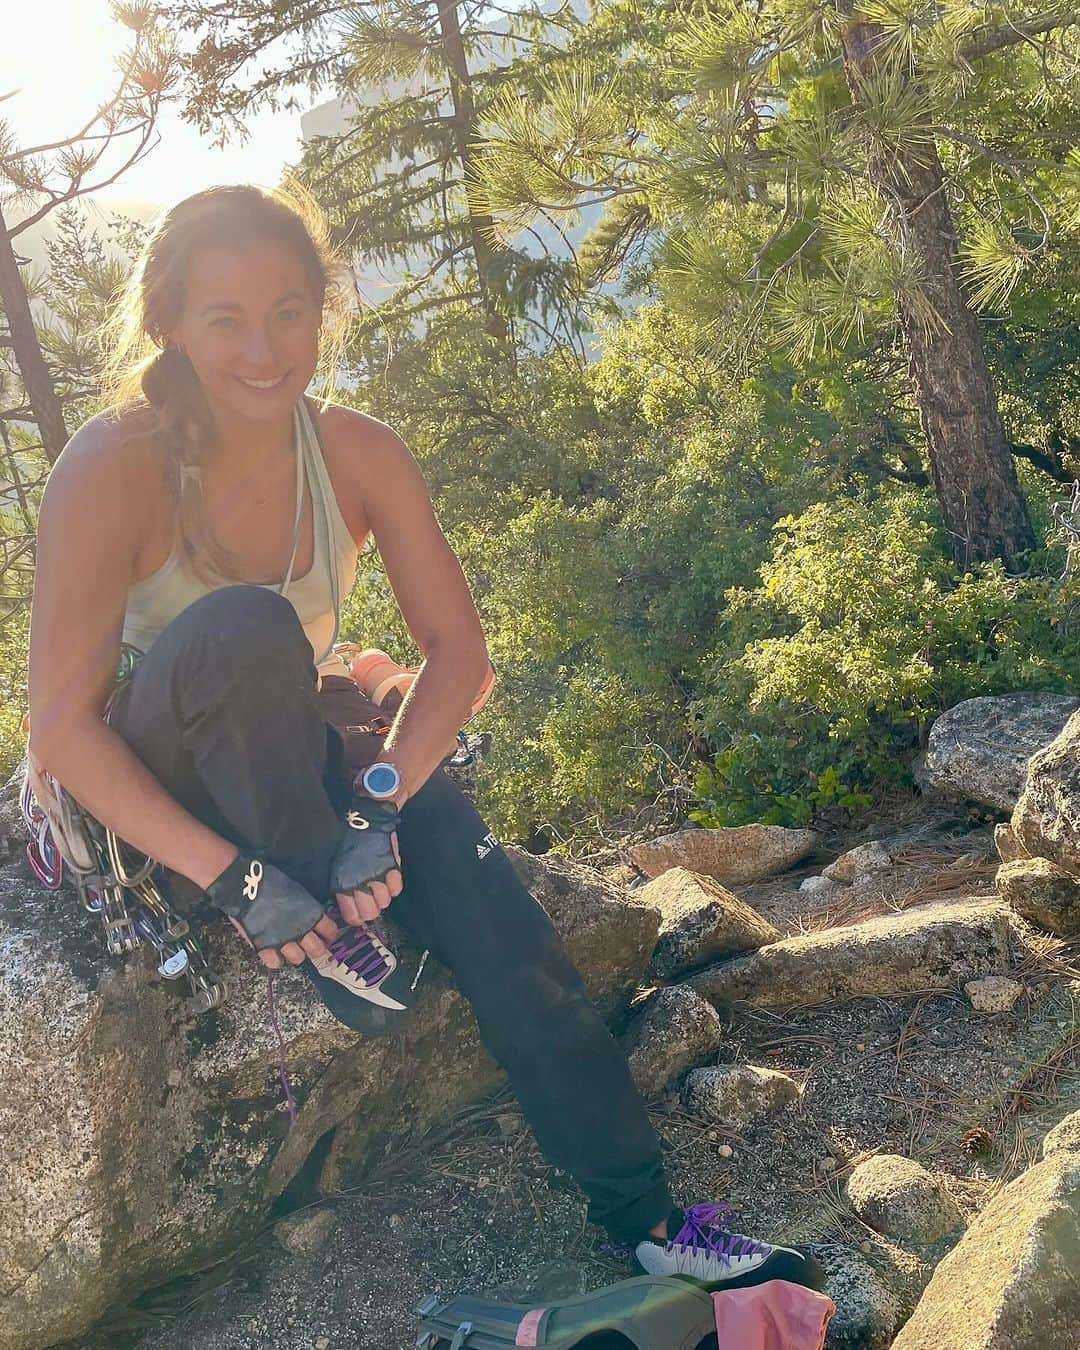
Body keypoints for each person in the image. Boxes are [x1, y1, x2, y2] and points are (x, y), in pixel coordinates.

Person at [26, 183, 819, 1291]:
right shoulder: (112, 464)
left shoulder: (356, 453)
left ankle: (648, 1218)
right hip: (162, 775)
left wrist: (382, 802)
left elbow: (462, 658)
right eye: (225, 319)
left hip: (295, 761)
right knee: (245, 623)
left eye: (290, 311)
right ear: (169, 324)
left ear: (324, 311)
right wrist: (245, 883)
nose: (265, 349)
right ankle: (318, 930)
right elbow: (59, 732)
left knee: (498, 915)